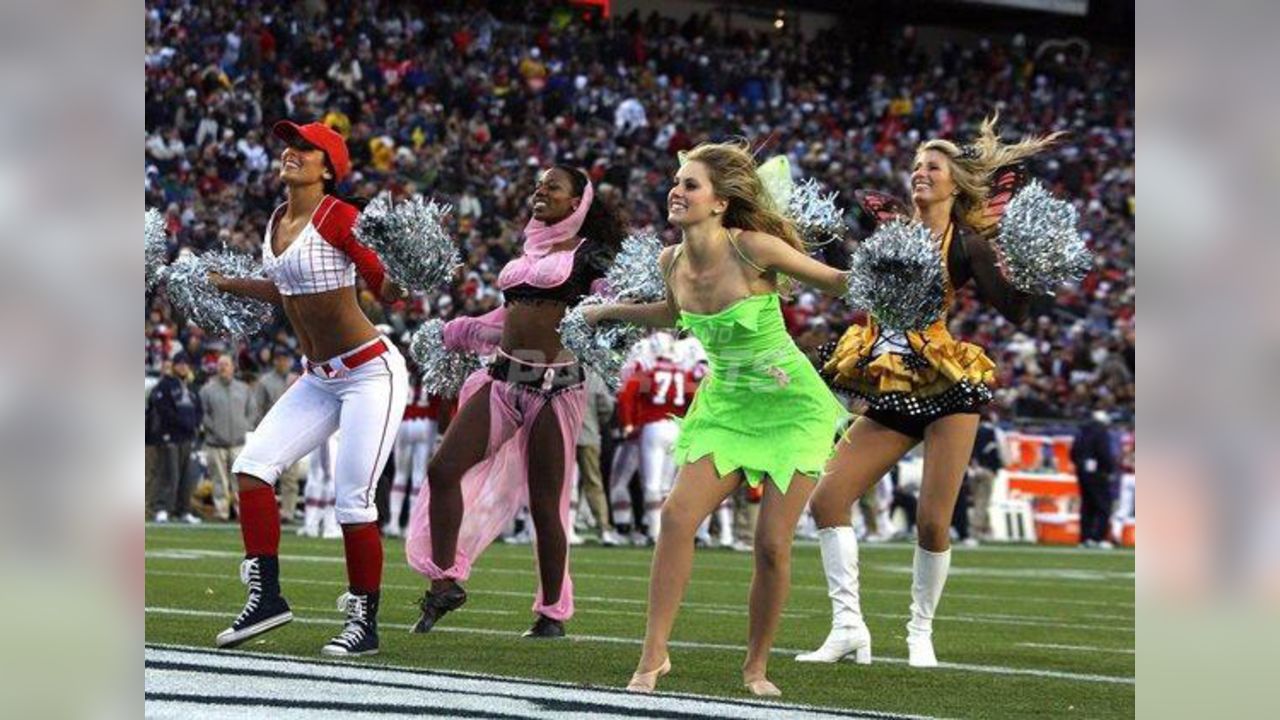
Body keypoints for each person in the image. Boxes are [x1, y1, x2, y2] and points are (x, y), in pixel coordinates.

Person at [583, 140, 849, 696]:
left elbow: (837, 283)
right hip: (726, 404)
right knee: (677, 518)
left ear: (721, 203)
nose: (676, 192)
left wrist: (906, 275)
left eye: (690, 185)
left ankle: (755, 666)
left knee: (773, 544)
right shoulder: (670, 259)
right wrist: (609, 312)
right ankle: (653, 658)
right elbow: (673, 313)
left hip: (791, 407)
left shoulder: (756, 249)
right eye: (676, 182)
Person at [801, 116, 1061, 668]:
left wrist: (1035, 271)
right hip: (892, 380)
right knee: (827, 499)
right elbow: (857, 292)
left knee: (932, 520)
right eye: (916, 166)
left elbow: (1015, 311)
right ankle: (848, 628)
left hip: (948, 386)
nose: (921, 174)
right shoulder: (887, 234)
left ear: (954, 184)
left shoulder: (966, 244)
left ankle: (921, 632)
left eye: (933, 168)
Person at [208, 120, 409, 657]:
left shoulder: (340, 215)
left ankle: (364, 621)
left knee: (352, 500)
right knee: (251, 468)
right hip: (319, 377)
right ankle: (267, 597)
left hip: (370, 372)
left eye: (305, 148)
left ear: (328, 168)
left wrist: (407, 271)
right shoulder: (277, 218)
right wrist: (227, 285)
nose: (290, 153)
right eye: (288, 145)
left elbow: (384, 288)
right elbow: (286, 291)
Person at [406, 165, 624, 639]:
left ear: (577, 203)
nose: (540, 191)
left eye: (554, 186)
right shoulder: (531, 250)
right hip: (502, 381)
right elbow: (510, 315)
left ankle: (551, 613)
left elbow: (609, 314)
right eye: (538, 184)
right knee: (443, 470)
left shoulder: (592, 256)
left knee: (546, 508)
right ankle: (444, 582)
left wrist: (607, 319)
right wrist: (457, 330)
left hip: (555, 389)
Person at [199, 354, 256, 521]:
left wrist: (245, 426)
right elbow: (202, 413)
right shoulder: (207, 389)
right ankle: (221, 512)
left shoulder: (244, 389)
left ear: (233, 367)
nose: (223, 367)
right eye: (220, 365)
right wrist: (213, 428)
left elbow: (252, 411)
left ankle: (241, 512)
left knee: (239, 481)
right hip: (215, 443)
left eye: (226, 364)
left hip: (238, 442)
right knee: (219, 481)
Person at [149, 353, 204, 524]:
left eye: (185, 364)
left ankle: (184, 510)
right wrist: (183, 423)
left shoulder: (192, 387)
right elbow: (163, 410)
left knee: (186, 476)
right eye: (179, 364)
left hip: (187, 437)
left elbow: (199, 409)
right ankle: (162, 508)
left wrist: (195, 424)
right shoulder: (165, 385)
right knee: (168, 474)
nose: (182, 367)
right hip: (170, 436)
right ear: (174, 366)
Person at [253, 345, 305, 524]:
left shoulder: (299, 380)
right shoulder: (265, 381)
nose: (283, 362)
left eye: (286, 359)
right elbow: (258, 409)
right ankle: (265, 512)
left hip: (293, 434)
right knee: (266, 476)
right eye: (279, 359)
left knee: (290, 478)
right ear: (274, 360)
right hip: (271, 433)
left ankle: (288, 513)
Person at [385, 373, 439, 538]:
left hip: (404, 421)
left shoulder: (403, 373)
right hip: (427, 422)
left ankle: (394, 523)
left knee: (400, 476)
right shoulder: (434, 374)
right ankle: (410, 526)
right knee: (418, 478)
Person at [575, 368, 621, 546]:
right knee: (594, 482)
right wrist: (596, 423)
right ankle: (604, 529)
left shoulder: (557, 371)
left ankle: (565, 525)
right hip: (589, 434)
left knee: (564, 486)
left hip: (564, 436)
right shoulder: (592, 376)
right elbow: (606, 407)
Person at [1072, 409, 1116, 548]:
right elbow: (1104, 453)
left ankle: (1085, 538)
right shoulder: (1101, 432)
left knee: (1087, 506)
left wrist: (1080, 466)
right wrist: (1109, 469)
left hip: (1083, 473)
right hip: (1099, 473)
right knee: (1103, 506)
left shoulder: (1081, 432)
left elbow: (1073, 452)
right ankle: (1099, 538)